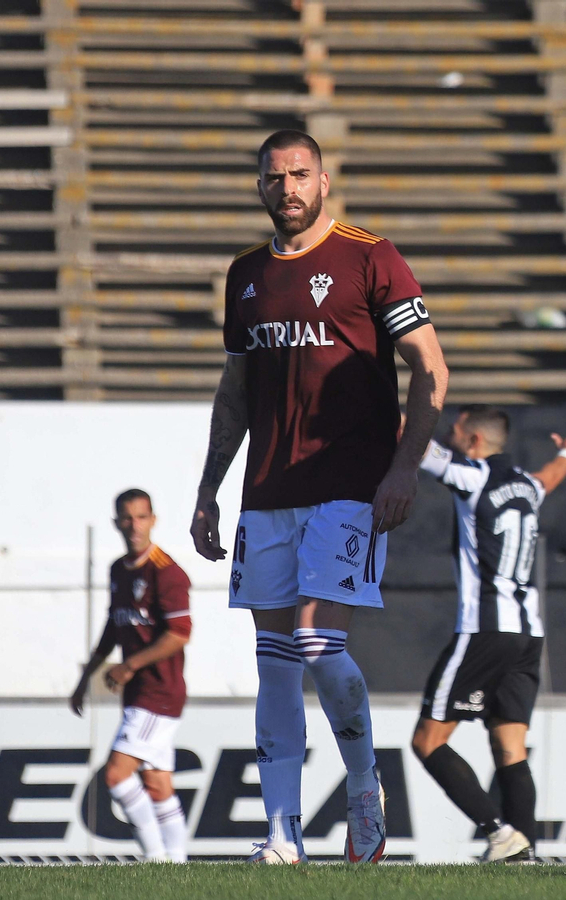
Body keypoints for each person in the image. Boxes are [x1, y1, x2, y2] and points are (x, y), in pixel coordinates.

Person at [189, 129, 449, 864]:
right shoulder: (245, 275)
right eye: (274, 178)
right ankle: (282, 834)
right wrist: (209, 489)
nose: (288, 189)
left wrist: (404, 467)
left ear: (324, 181)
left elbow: (431, 366)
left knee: (313, 640)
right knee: (273, 657)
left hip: (349, 483)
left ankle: (366, 785)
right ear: (260, 186)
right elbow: (235, 389)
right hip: (267, 487)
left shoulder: (370, 255)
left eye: (300, 175)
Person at [410, 406, 566, 864]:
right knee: (509, 747)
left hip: (485, 629)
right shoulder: (525, 484)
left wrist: (379, 398)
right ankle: (525, 857)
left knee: (428, 741)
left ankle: (500, 834)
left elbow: (418, 447)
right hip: (527, 636)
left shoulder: (472, 475)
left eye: (456, 432)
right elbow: (548, 479)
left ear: (474, 441)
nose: (450, 437)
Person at [70, 488, 193, 863]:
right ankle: (178, 863)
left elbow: (180, 634)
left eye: (141, 517)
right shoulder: (117, 570)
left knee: (116, 776)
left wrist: (130, 665)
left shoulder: (167, 572)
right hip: (139, 691)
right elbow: (113, 626)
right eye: (127, 518)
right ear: (116, 523)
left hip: (159, 691)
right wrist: (84, 679)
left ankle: (155, 858)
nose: (134, 525)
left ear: (153, 520)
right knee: (157, 784)